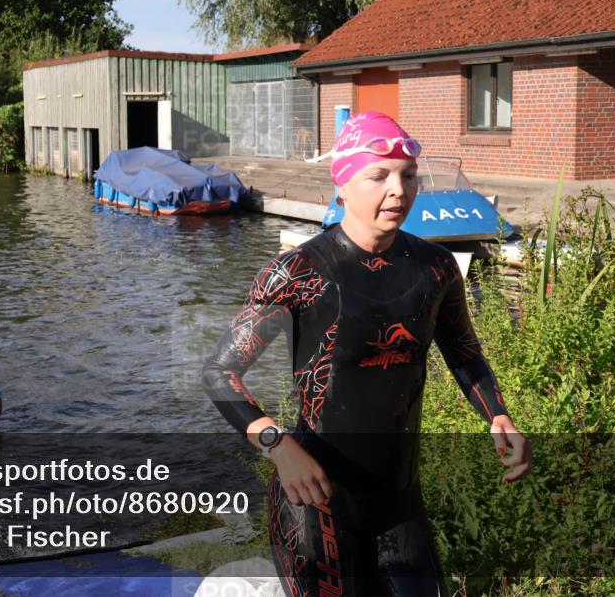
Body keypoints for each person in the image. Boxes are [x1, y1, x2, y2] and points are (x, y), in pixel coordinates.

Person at [201, 111, 531, 596]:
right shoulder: (297, 273)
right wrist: (278, 447)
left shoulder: (435, 268)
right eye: (378, 176)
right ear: (342, 187)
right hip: (314, 498)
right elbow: (220, 371)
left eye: (408, 175)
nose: (398, 190)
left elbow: (463, 354)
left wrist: (497, 414)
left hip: (399, 499)